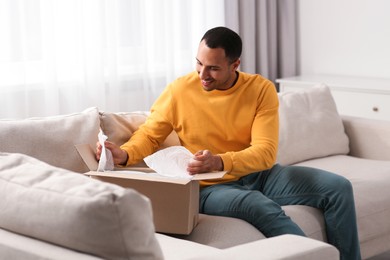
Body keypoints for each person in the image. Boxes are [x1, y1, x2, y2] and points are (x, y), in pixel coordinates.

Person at [96, 26, 361, 260]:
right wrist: (125, 153)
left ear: (235, 65)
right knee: (259, 206)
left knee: (338, 187)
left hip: (260, 174)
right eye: (199, 63)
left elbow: (265, 152)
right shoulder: (180, 90)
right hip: (210, 186)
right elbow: (151, 134)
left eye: (213, 68)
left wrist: (221, 160)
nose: (203, 74)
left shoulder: (260, 90)